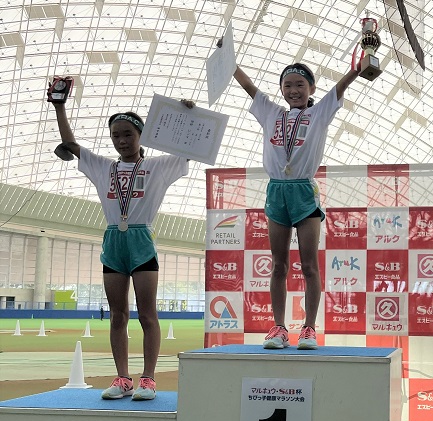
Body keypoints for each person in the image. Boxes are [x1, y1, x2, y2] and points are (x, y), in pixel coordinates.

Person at [49, 91, 193, 400]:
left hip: (141, 240)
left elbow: (189, 148)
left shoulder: (158, 166)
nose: (121, 140)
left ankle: (149, 379)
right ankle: (123, 378)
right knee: (117, 315)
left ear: (142, 135)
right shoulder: (104, 167)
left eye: (128, 134)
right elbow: (72, 145)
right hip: (113, 240)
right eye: (115, 135)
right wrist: (60, 106)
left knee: (147, 314)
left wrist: (185, 115)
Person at [218, 39, 361, 350]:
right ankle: (279, 328)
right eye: (288, 85)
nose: (293, 90)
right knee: (279, 264)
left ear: (310, 88)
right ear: (281, 89)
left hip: (303, 191)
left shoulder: (319, 113)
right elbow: (248, 86)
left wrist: (356, 70)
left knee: (309, 265)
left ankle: (309, 328)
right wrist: (226, 58)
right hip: (276, 192)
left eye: (300, 85)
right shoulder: (271, 112)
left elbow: (340, 87)